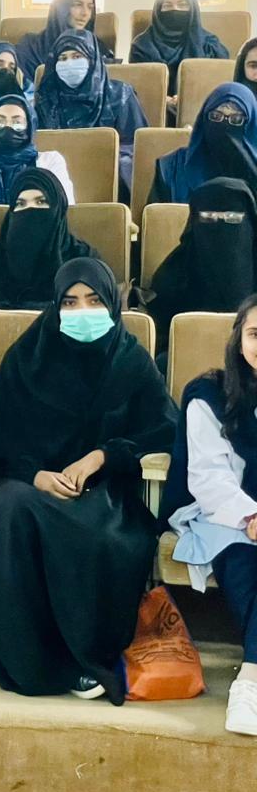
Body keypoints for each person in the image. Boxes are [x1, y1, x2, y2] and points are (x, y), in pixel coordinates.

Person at [0, 257, 176, 704]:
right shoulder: (27, 358)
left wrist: (101, 456)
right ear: (55, 306)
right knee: (16, 506)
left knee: (102, 531)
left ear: (112, 304)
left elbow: (164, 429)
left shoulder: (130, 361)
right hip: (24, 481)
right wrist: (36, 475)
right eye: (70, 302)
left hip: (101, 489)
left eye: (94, 300)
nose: (82, 312)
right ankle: (23, 659)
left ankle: (81, 657)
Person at [163, 294, 257, 735]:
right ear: (239, 339)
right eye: (255, 334)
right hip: (224, 515)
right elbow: (208, 477)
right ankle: (250, 685)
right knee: (245, 565)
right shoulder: (209, 395)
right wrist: (251, 517)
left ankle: (250, 680)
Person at [36, 29, 147, 197]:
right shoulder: (46, 101)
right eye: (63, 58)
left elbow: (136, 145)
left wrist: (96, 160)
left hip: (111, 182)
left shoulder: (120, 95)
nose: (69, 63)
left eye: (77, 56)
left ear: (92, 59)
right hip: (55, 184)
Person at [147, 177, 257, 344]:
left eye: (233, 218)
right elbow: (161, 341)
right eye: (209, 218)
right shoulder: (172, 280)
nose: (220, 231)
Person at [0, 167, 93, 310]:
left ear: (58, 209)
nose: (30, 210)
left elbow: (91, 309)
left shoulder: (83, 260)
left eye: (41, 202)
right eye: (21, 204)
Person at [0, 94, 74, 227]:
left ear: (30, 126)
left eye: (17, 122)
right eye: (0, 121)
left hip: (40, 231)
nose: (7, 127)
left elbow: (64, 205)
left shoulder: (50, 160)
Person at [131, 0, 228, 116]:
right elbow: (136, 87)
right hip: (152, 113)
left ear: (193, 8)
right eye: (167, 5)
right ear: (158, 9)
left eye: (182, 5)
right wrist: (162, 99)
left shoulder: (210, 45)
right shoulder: (142, 45)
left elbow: (221, 86)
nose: (174, 10)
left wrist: (189, 98)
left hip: (200, 113)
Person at [149, 83, 257, 205]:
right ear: (203, 119)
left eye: (236, 119)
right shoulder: (172, 166)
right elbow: (155, 214)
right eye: (216, 116)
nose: (224, 125)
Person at [15, 0, 113, 85]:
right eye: (78, 5)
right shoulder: (30, 47)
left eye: (90, 7)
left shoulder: (98, 49)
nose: (85, 13)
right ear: (62, 8)